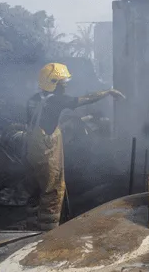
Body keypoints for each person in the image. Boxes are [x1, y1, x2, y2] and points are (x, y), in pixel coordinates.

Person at [26, 63, 125, 231]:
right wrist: (107, 92)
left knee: (39, 186)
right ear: (53, 83)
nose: (65, 86)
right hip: (47, 148)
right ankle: (47, 232)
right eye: (63, 82)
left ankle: (37, 225)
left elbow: (41, 121)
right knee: (53, 189)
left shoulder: (34, 99)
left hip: (33, 146)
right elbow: (86, 99)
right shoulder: (57, 100)